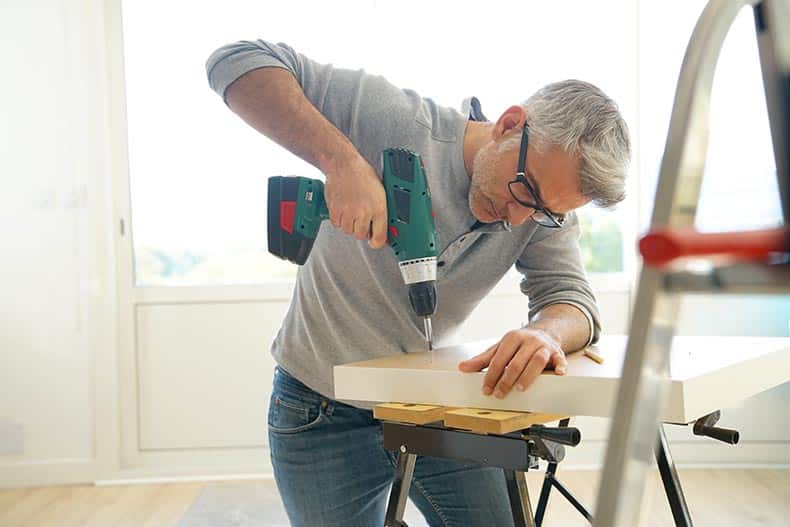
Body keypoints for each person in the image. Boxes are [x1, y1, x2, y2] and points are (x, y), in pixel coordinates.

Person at [206, 39, 630, 527]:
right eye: (525, 190)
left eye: (544, 212)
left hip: (429, 405)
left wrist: (546, 333)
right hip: (316, 412)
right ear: (510, 125)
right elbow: (235, 62)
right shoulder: (395, 120)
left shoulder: (540, 212)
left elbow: (572, 301)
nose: (519, 218)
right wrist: (342, 163)